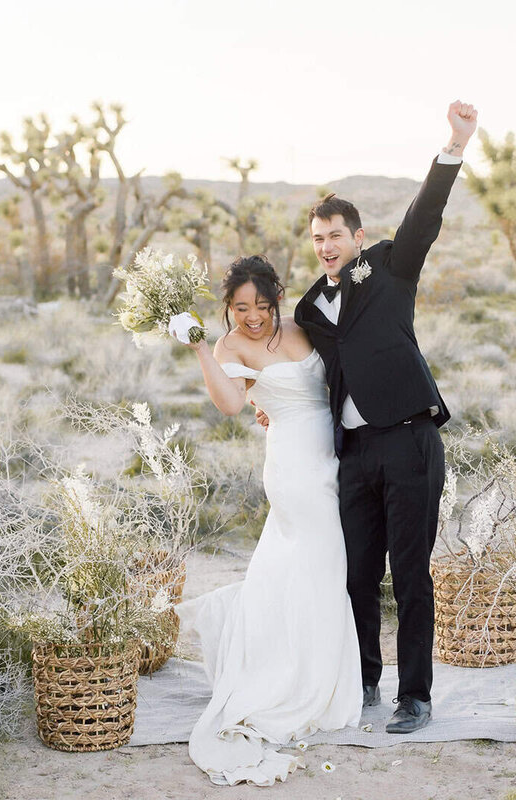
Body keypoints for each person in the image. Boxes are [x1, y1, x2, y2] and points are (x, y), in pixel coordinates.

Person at [292, 100, 477, 734]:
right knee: (357, 574)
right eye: (317, 239)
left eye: (335, 237)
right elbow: (309, 369)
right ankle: (363, 681)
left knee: (410, 574)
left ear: (357, 237)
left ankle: (416, 696)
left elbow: (425, 218)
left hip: (408, 441)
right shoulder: (311, 307)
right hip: (353, 452)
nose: (325, 248)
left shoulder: (392, 270)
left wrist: (452, 147)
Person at [174, 256, 361, 787]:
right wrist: (198, 349)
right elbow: (232, 403)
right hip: (294, 466)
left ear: (276, 298)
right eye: (239, 307)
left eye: (261, 305)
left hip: (336, 454)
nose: (252, 317)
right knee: (321, 562)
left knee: (319, 567)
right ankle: (308, 684)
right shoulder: (228, 346)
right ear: (227, 308)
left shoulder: (303, 327)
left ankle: (312, 668)